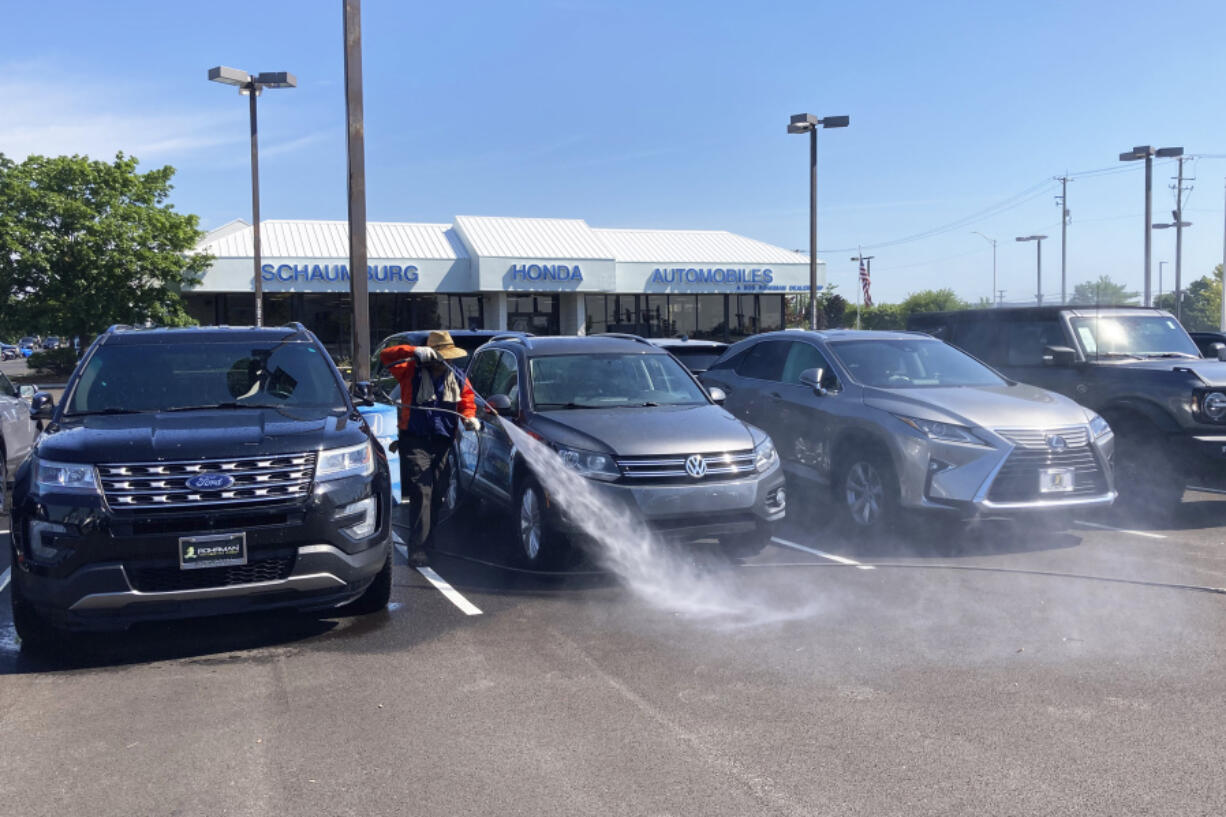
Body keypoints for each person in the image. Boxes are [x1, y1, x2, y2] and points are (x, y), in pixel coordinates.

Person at [379, 330, 480, 565]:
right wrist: (413, 351)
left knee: (438, 492)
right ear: (431, 355)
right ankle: (418, 548)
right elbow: (386, 356)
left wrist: (468, 417)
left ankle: (428, 539)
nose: (446, 361)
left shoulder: (457, 375)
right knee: (422, 489)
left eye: (448, 357)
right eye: (441, 356)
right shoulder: (409, 370)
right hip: (415, 439)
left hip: (443, 441)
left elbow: (467, 400)